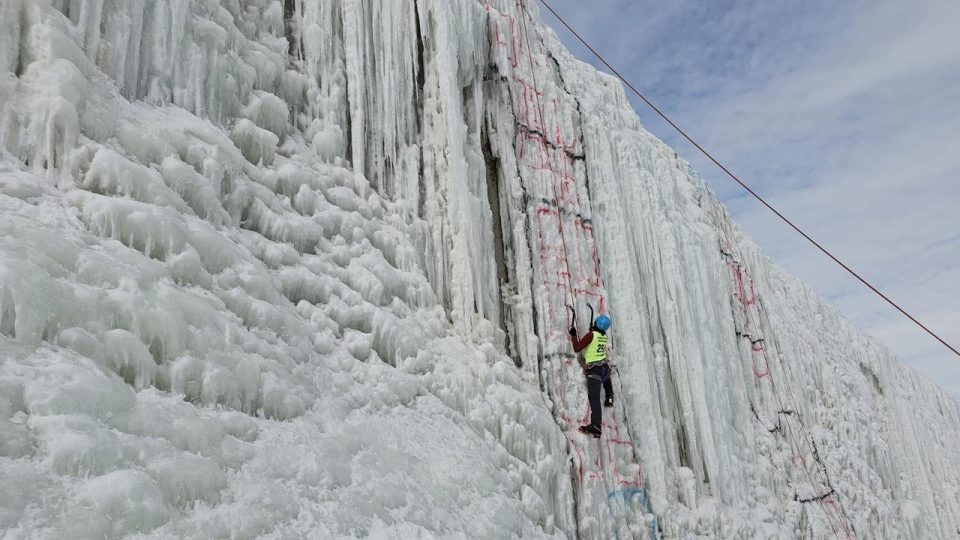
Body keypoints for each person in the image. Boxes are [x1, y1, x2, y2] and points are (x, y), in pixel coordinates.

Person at [569, 314, 613, 438]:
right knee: (606, 379)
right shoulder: (603, 336)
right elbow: (594, 341)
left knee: (594, 397)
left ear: (596, 324)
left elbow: (577, 348)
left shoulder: (591, 335)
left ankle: (596, 425)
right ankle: (609, 396)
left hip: (595, 370)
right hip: (604, 369)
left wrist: (573, 335)